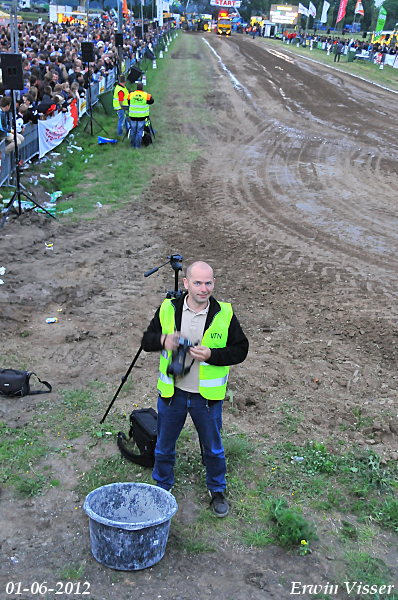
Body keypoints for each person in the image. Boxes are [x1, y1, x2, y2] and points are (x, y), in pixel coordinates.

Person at [141, 261, 249, 517]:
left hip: (207, 400)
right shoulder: (168, 309)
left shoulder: (224, 314)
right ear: (186, 283)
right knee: (164, 446)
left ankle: (217, 489)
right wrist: (163, 340)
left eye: (208, 283)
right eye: (198, 283)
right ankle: (162, 487)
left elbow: (241, 349)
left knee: (213, 448)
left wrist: (212, 354)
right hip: (172, 396)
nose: (204, 288)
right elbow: (146, 341)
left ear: (214, 284)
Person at [127, 81, 154, 149]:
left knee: (133, 131)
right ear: (143, 87)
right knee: (139, 131)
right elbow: (152, 101)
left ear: (136, 87)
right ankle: (137, 146)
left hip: (132, 116)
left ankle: (132, 145)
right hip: (142, 117)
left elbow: (128, 102)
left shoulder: (131, 94)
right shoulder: (146, 95)